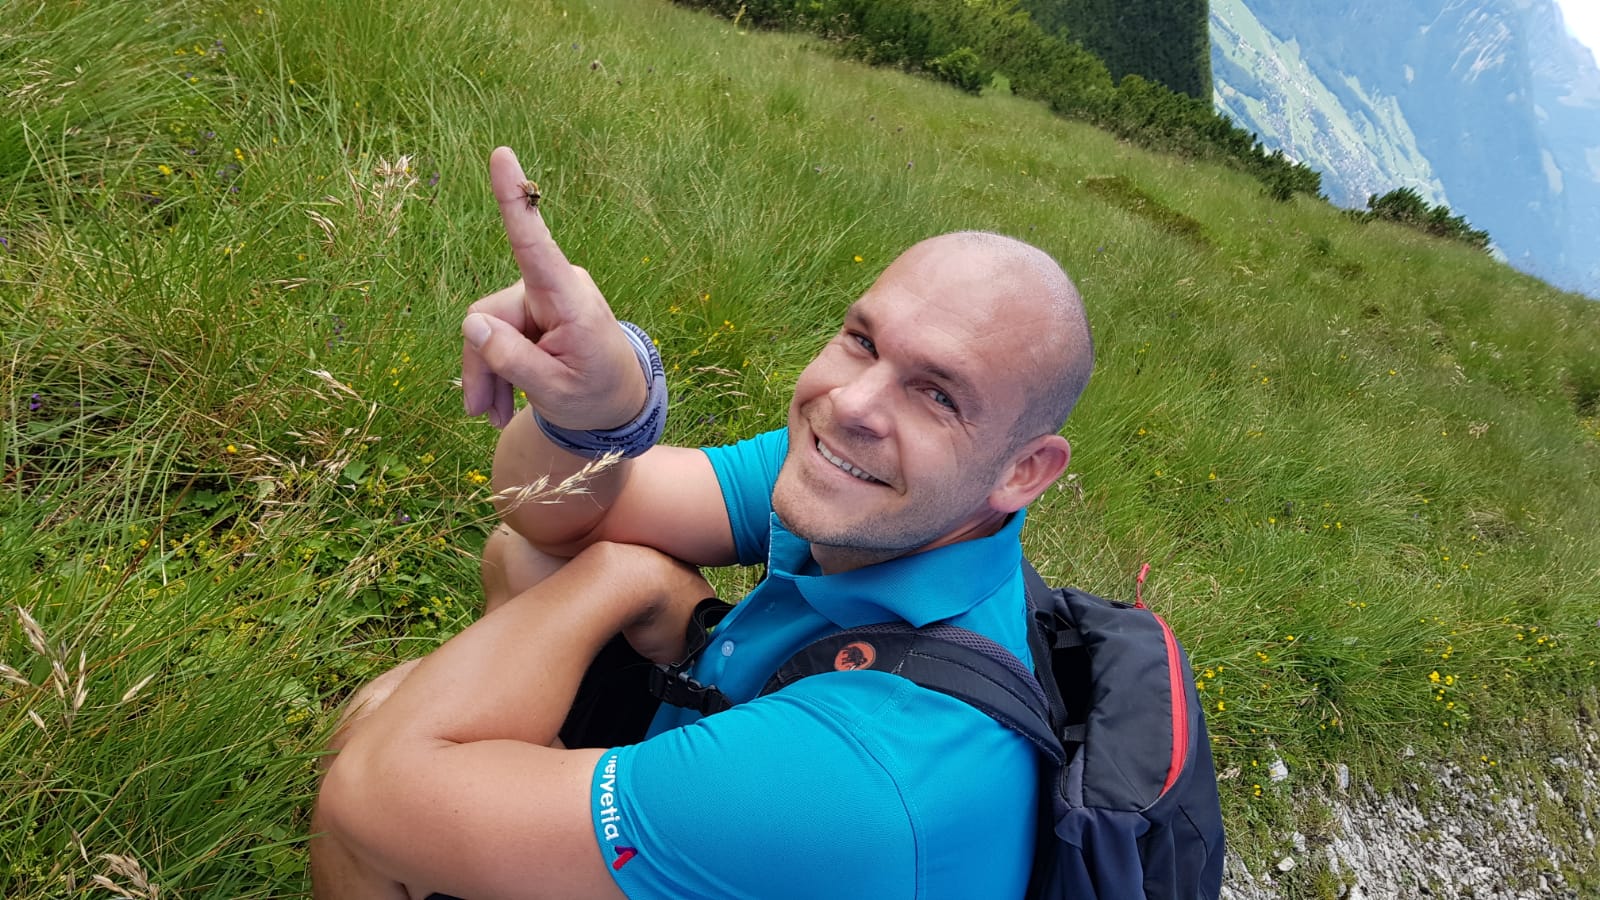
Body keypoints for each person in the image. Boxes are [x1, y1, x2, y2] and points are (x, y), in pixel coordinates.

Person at [310, 146, 1094, 900]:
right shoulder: (888, 495)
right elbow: (546, 514)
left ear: (1024, 471)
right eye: (862, 342)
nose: (852, 404)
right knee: (531, 562)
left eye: (938, 395)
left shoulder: (867, 775)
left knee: (370, 746)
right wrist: (599, 415)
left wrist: (610, 585)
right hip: (757, 782)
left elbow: (369, 792)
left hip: (787, 803)